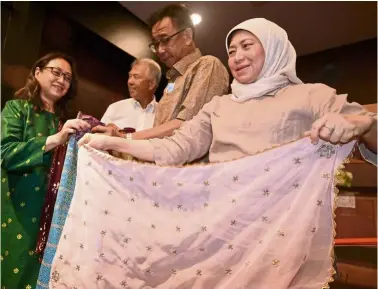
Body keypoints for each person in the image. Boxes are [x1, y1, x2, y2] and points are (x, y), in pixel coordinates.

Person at [79, 18, 376, 167]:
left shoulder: (312, 96)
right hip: (219, 224)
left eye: (247, 46)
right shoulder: (219, 106)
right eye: (231, 50)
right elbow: (174, 147)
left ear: (274, 48)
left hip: (284, 232)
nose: (236, 57)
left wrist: (365, 124)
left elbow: (369, 133)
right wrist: (111, 143)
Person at [1, 52, 89, 289]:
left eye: (68, 77)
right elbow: (5, 152)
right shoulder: (17, 109)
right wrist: (55, 139)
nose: (62, 80)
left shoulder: (66, 122)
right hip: (15, 211)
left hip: (52, 215)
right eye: (56, 72)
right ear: (38, 73)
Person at [120, 4, 229, 141]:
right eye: (156, 44)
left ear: (187, 36)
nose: (160, 50)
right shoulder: (173, 79)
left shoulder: (208, 65)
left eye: (165, 40)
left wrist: (127, 138)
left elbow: (188, 126)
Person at [93, 58, 161, 135]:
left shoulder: (164, 115)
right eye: (130, 76)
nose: (130, 81)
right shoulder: (115, 108)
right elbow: (98, 138)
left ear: (151, 84)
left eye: (136, 77)